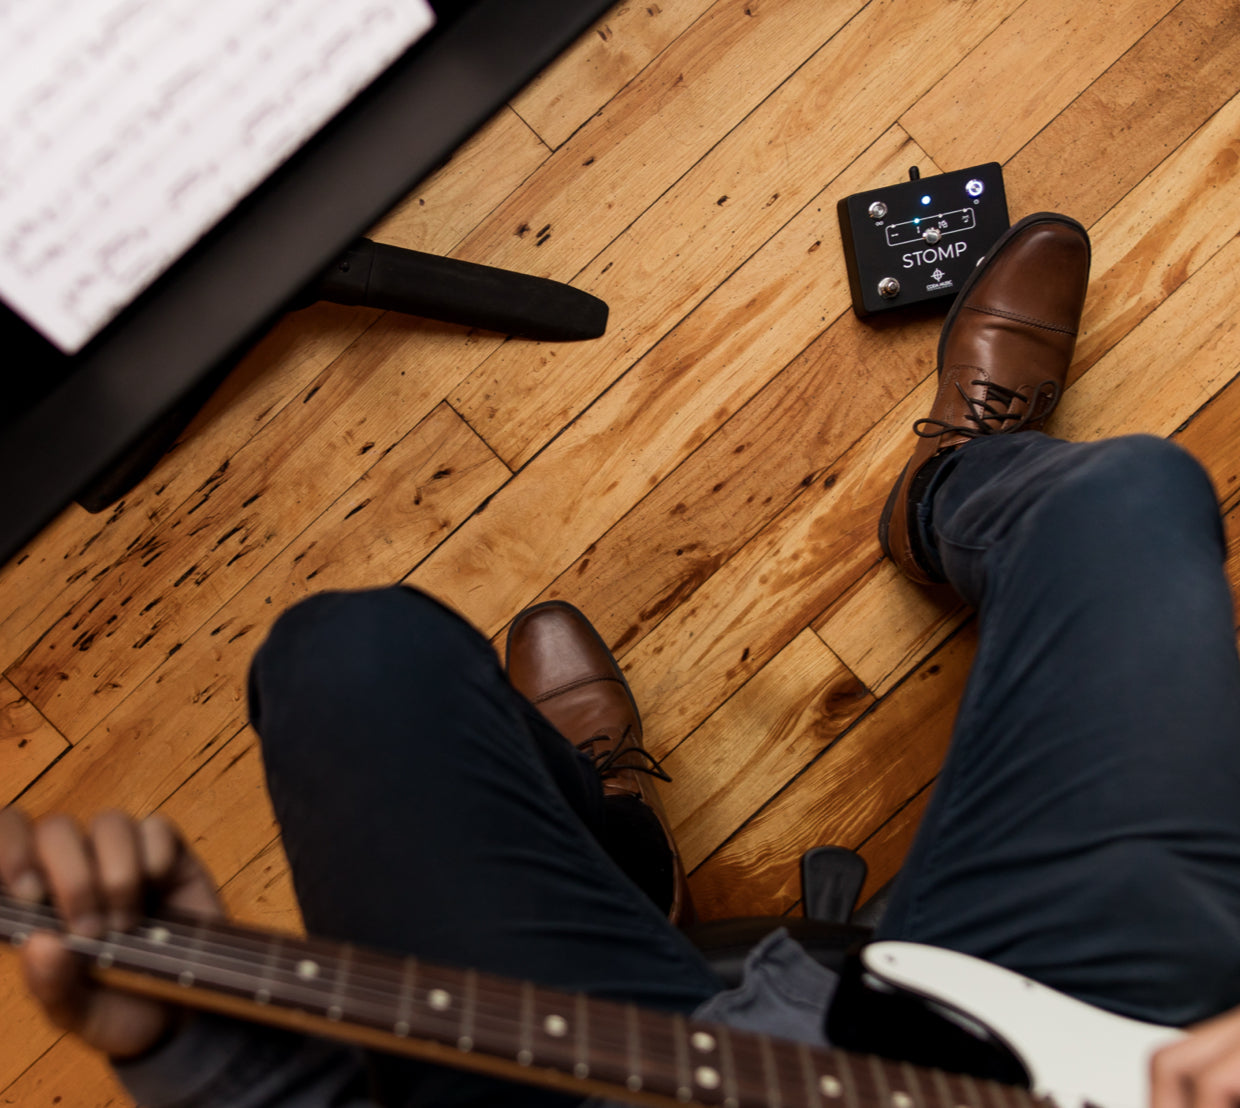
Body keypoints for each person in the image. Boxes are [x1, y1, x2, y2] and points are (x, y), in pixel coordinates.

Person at [2, 213, 1240, 1106]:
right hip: (1125, 1044)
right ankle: (942, 487)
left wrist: (191, 1049)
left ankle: (621, 853)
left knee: (348, 659)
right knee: (1125, 497)